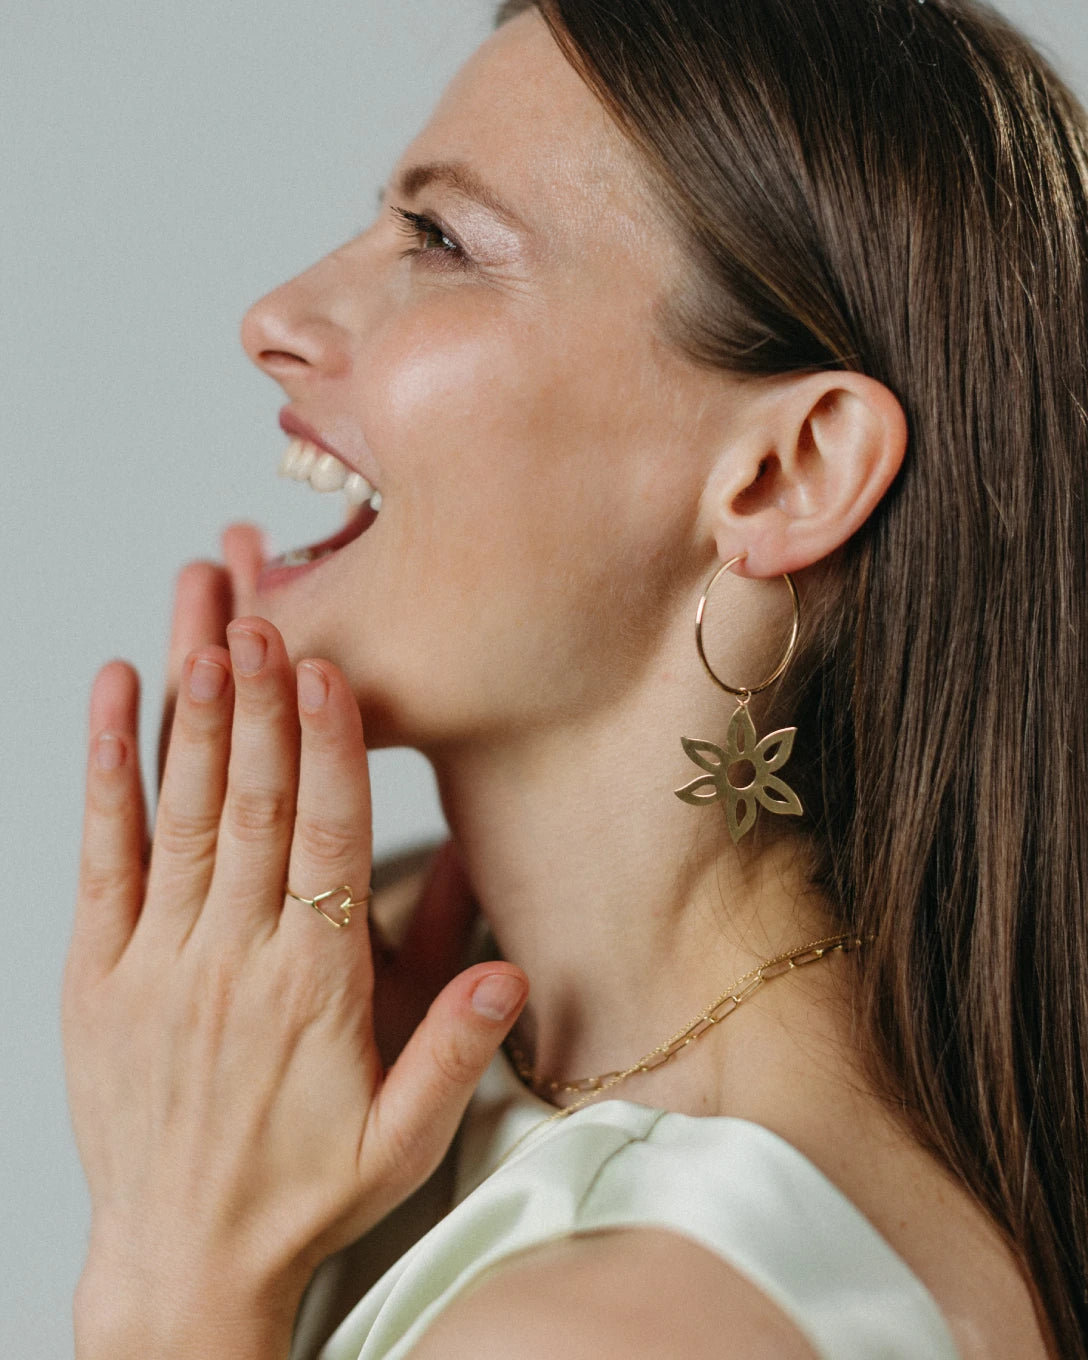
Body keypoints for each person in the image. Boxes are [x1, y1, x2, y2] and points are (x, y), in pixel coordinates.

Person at [63, 0, 1088, 1355]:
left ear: (785, 473)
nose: (275, 317)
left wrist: (173, 1281)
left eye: (439, 241)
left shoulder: (613, 1323)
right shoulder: (495, 1096)